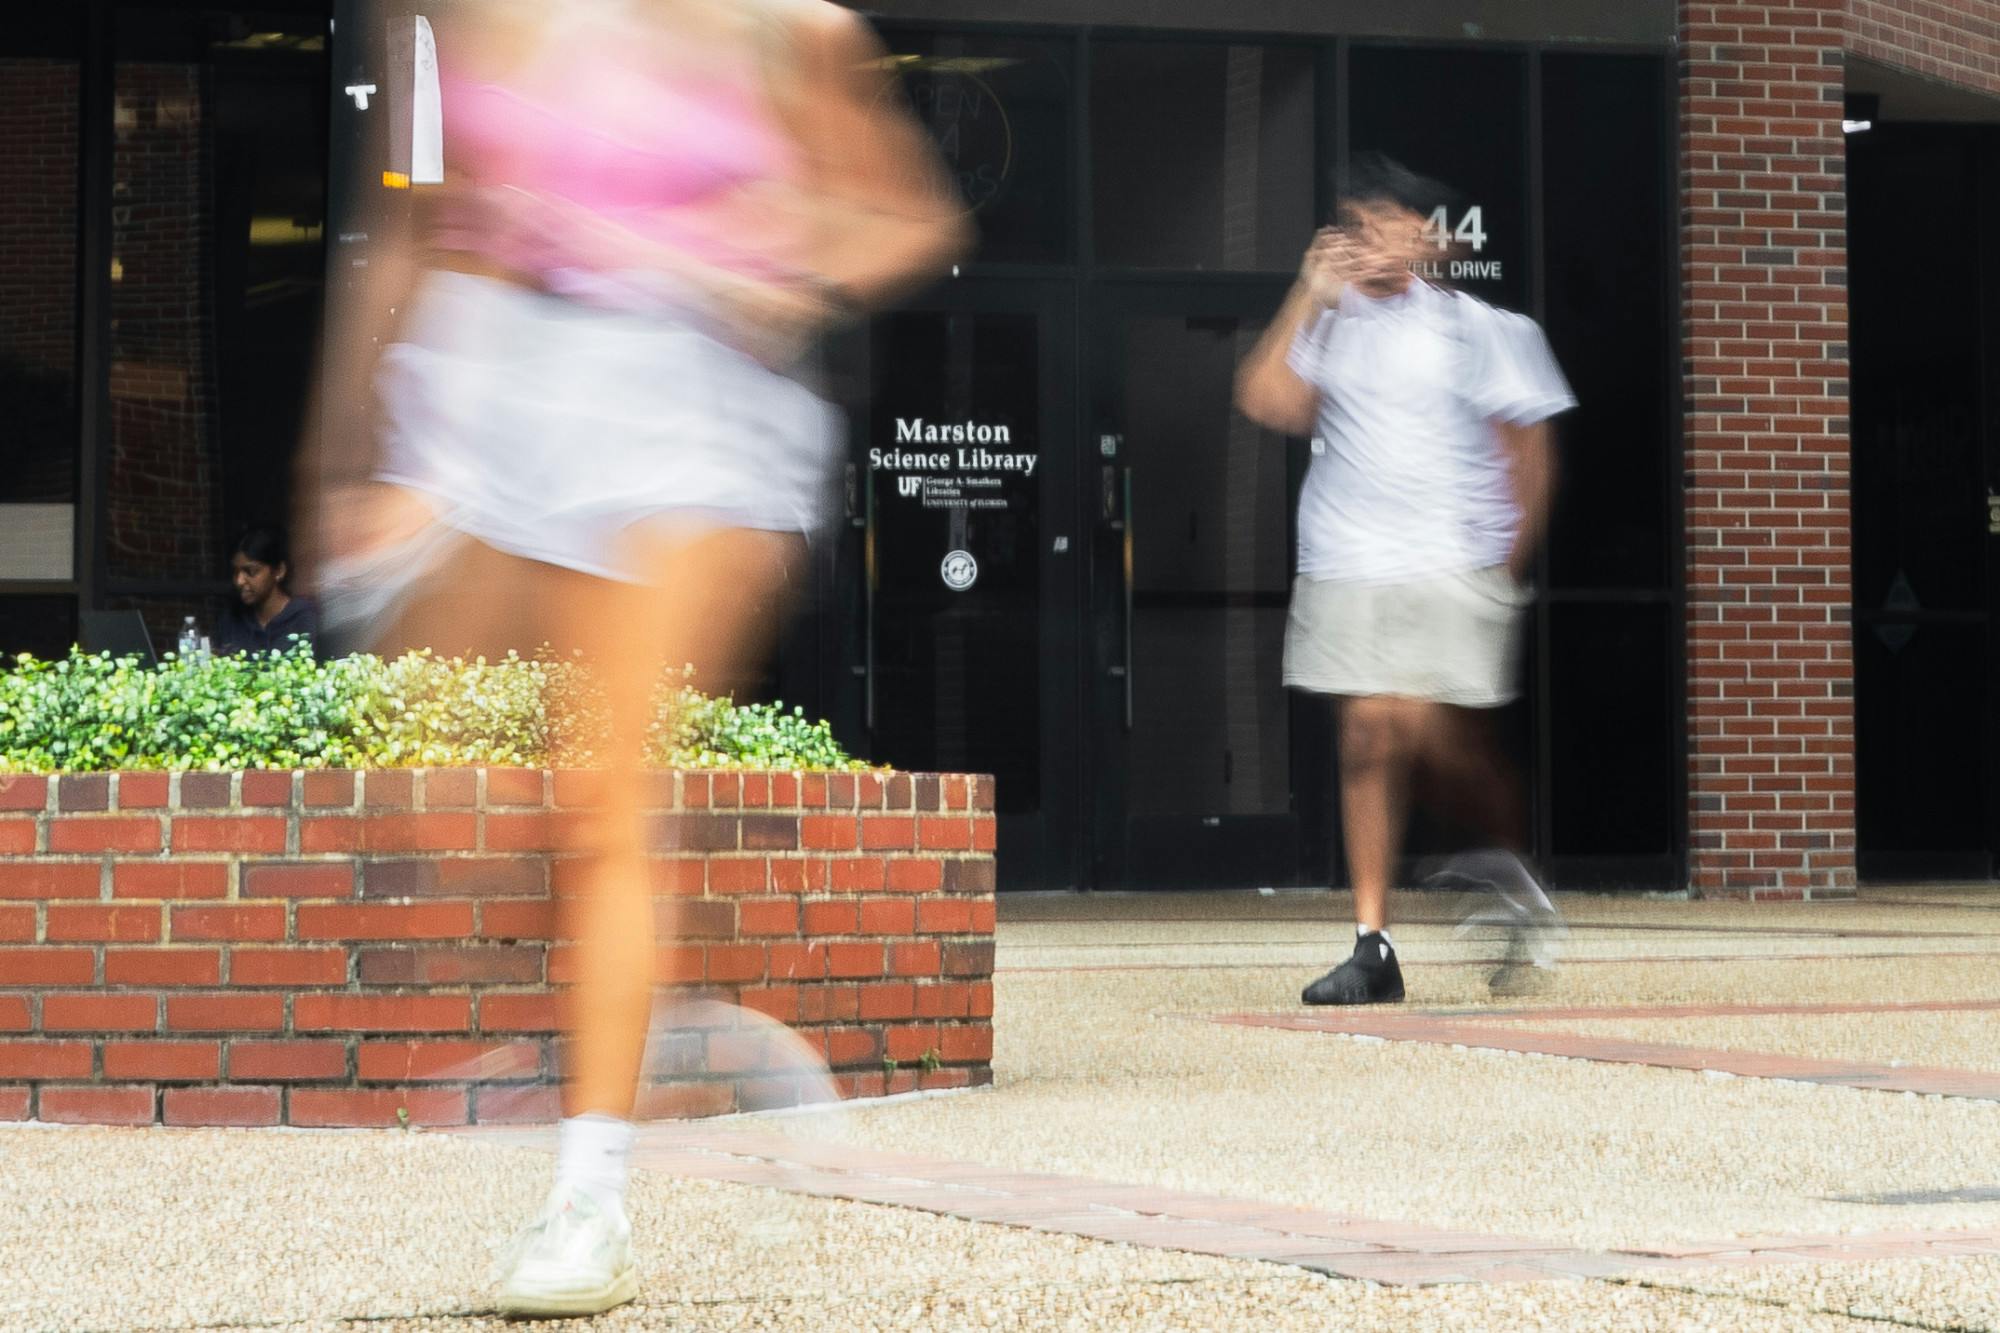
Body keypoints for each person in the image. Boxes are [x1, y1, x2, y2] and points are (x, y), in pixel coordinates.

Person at [296, 0, 965, 1317]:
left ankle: (586, 1194)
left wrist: (761, 255)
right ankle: (619, 996)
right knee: (435, 805)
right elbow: (416, 223)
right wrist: (350, 451)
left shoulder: (789, 28)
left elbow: (906, 221)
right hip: (492, 376)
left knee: (598, 803)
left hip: (686, 391)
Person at [1234, 154, 1575, 1007]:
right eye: (1355, 223)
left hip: (1449, 562)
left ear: (1428, 238)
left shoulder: (1477, 329)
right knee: (1366, 735)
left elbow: (1530, 454)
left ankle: (1506, 859)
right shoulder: (1330, 320)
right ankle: (1372, 943)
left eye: (1386, 222)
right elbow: (1266, 398)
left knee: (1417, 726)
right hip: (1348, 564)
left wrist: (1505, 561)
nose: (1370, 239)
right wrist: (1307, 293)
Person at [213, 525, 320, 657]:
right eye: (235, 572)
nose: (239, 581)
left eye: (251, 571)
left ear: (279, 571)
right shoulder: (230, 621)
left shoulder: (305, 619)